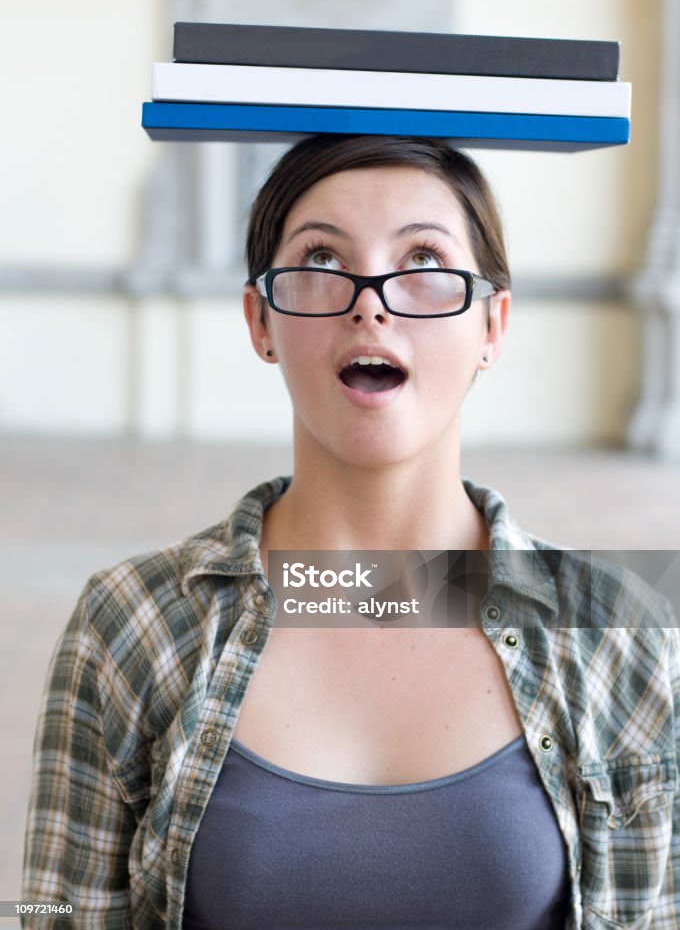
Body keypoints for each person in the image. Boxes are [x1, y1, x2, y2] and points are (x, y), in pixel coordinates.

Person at [23, 135, 679, 930]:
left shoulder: (624, 636)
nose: (370, 301)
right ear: (260, 320)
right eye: (323, 260)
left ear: (492, 326)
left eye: (424, 260)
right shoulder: (127, 624)